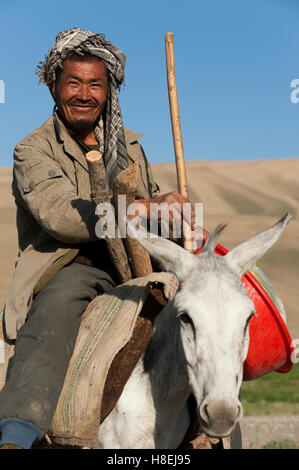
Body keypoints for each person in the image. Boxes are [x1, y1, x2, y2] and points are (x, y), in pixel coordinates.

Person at [0, 28, 198, 449]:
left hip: (141, 260)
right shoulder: (31, 151)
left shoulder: (127, 146)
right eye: (73, 82)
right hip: (70, 263)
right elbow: (61, 218)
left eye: (96, 84)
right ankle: (18, 431)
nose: (84, 94)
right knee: (54, 316)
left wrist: (179, 222)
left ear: (110, 90)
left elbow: (152, 206)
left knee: (210, 301)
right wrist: (138, 210)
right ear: (53, 84)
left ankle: (209, 420)